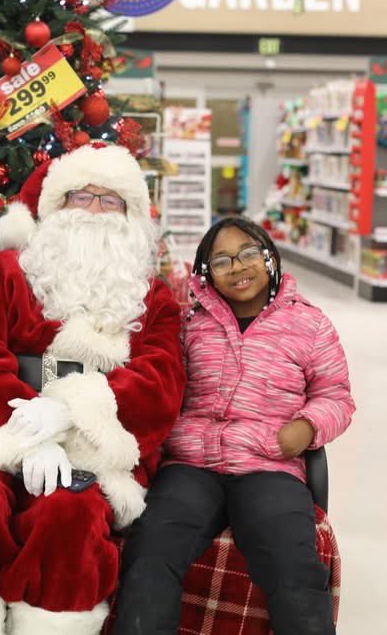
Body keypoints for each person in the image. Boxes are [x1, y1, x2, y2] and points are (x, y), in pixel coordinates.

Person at [0, 144, 187, 635]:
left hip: (90, 454)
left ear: (131, 216)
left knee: (70, 515)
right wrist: (30, 430)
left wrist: (71, 416)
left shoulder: (150, 297)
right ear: (55, 209)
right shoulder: (5, 274)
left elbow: (159, 382)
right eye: (81, 196)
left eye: (110, 200)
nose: (94, 210)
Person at [111, 217, 356, 635]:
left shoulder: (310, 325)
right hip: (191, 466)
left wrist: (308, 426)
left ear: (269, 257)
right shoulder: (189, 323)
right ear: (206, 273)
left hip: (269, 466)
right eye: (222, 261)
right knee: (151, 553)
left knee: (293, 564)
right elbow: (165, 385)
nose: (238, 267)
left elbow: (337, 396)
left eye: (247, 254)